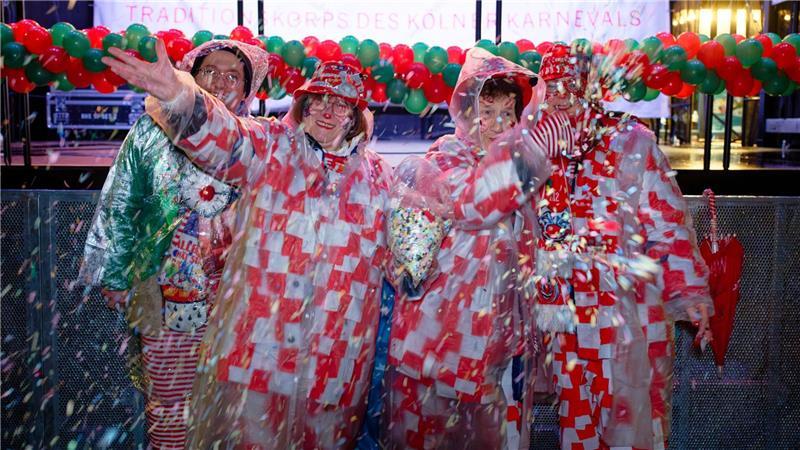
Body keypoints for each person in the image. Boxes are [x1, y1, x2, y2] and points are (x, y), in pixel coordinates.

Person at [101, 41, 393, 449]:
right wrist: (180, 97)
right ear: (303, 107)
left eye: (340, 104)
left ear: (356, 116)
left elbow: (402, 255)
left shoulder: (379, 179)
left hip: (333, 356)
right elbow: (223, 137)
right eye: (318, 101)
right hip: (260, 347)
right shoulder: (271, 148)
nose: (327, 112)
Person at [519, 43, 714, 450]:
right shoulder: (539, 150)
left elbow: (669, 225)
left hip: (627, 320)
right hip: (567, 324)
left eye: (568, 87)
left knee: (631, 429)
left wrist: (690, 292)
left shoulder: (631, 142)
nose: (558, 98)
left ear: (590, 88)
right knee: (576, 427)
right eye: (550, 88)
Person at [80, 39, 261, 449]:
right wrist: (117, 273)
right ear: (191, 79)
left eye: (233, 76)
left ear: (247, 91)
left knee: (233, 400)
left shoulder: (258, 141)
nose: (220, 82)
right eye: (209, 72)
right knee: (169, 401)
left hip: (239, 296)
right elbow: (122, 200)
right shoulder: (152, 129)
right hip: (164, 287)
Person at [383, 47, 555, 450]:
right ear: (466, 112)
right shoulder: (444, 159)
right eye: (488, 110)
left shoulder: (522, 171)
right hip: (438, 343)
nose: (498, 124)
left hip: (498, 345)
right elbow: (472, 203)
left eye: (508, 113)